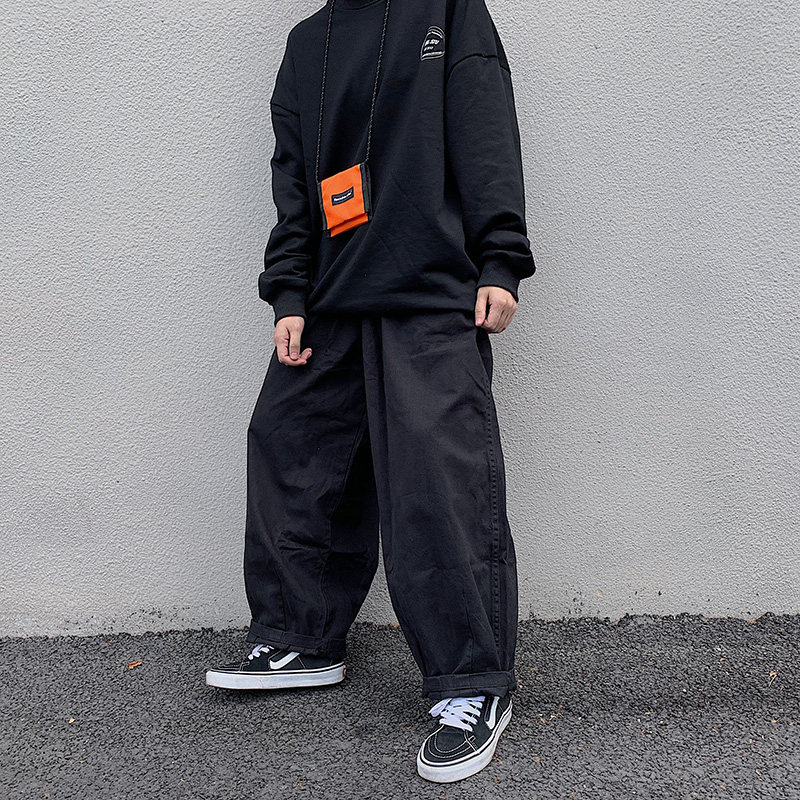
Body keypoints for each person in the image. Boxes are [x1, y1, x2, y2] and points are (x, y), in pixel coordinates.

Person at [205, 0, 535, 783]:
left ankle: (472, 681)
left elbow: (485, 130)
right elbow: (294, 180)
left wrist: (500, 258)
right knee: (292, 451)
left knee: (435, 483)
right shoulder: (307, 43)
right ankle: (301, 638)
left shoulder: (448, 10)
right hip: (331, 298)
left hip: (431, 293)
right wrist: (289, 293)